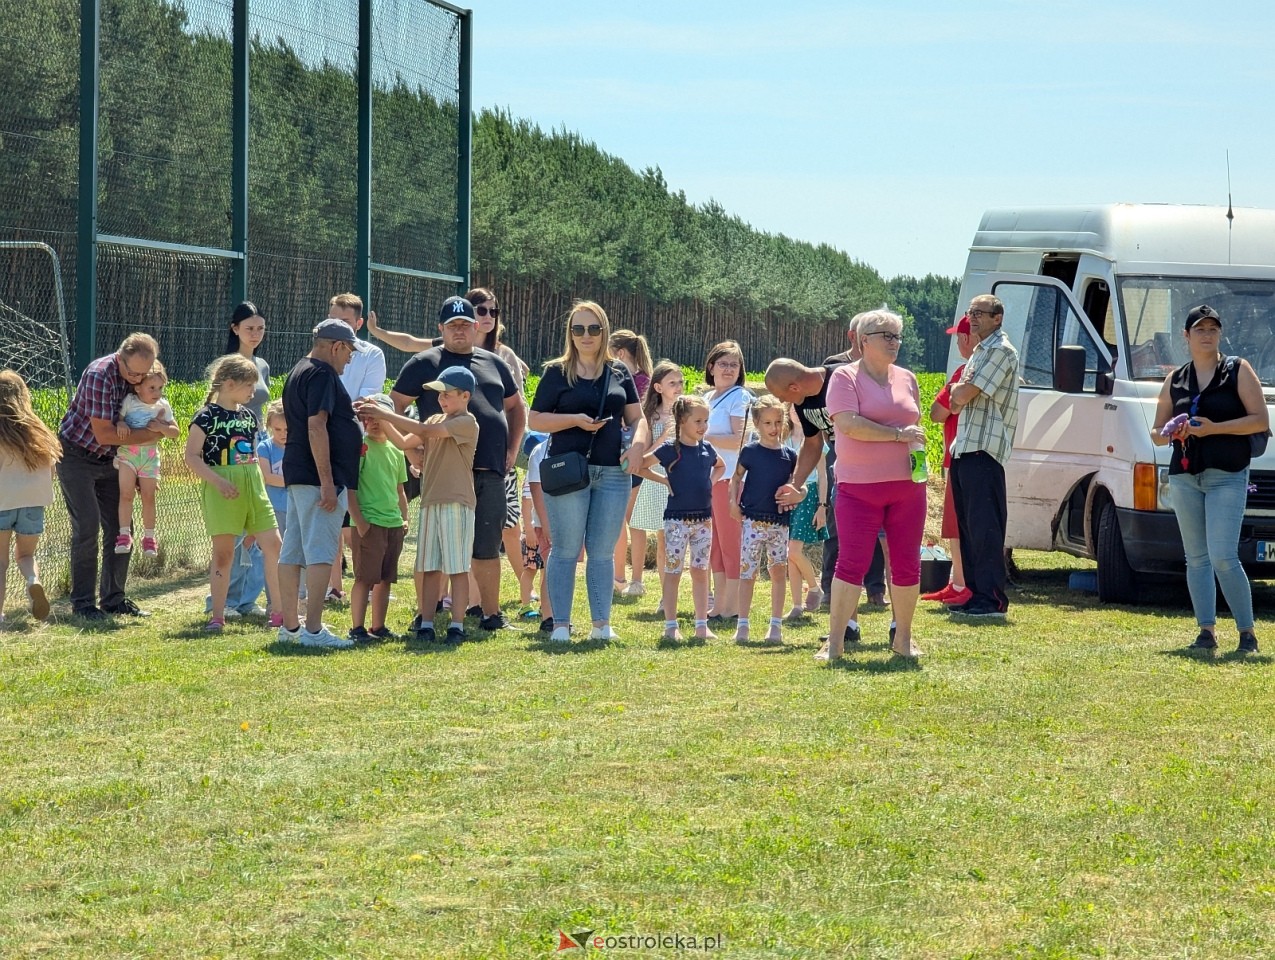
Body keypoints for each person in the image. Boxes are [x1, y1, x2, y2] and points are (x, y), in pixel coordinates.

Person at [391, 296, 525, 632]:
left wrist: (512, 448)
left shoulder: (495, 363)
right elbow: (394, 405)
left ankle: (491, 614)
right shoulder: (424, 362)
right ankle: (427, 613)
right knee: (433, 551)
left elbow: (516, 408)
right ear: (441, 328)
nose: (460, 330)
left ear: (477, 326)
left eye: (465, 324)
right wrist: (411, 453)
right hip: (444, 474)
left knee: (486, 546)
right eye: (453, 326)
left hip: (488, 470)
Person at [528, 300, 647, 644]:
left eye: (593, 328)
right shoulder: (556, 371)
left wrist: (638, 446)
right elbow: (535, 419)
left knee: (602, 551)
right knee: (566, 549)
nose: (586, 335)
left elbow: (637, 419)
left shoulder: (619, 371)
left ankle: (601, 625)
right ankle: (560, 625)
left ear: (604, 331)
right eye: (578, 328)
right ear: (570, 333)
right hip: (568, 471)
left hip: (613, 473)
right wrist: (575, 421)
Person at [1151, 304, 1266, 655]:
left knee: (1223, 556)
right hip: (1185, 476)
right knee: (1196, 558)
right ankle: (1206, 631)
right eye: (1200, 329)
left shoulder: (1237, 370)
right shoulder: (1176, 379)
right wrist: (1171, 432)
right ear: (1186, 336)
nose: (1207, 335)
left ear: (1220, 334)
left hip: (1227, 475)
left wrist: (1215, 429)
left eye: (1213, 329)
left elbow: (1260, 420)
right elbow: (1156, 432)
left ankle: (1247, 633)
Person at [820, 309, 927, 662]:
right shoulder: (843, 377)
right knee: (851, 563)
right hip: (858, 488)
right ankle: (835, 643)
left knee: (907, 563)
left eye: (898, 336)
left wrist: (914, 449)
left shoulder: (908, 378)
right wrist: (897, 436)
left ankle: (904, 639)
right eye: (887, 336)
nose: (895, 342)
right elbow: (849, 425)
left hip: (908, 487)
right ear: (864, 341)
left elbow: (915, 424)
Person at [359, 367, 479, 644]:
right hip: (430, 501)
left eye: (447, 394)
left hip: (456, 502)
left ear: (465, 396)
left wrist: (384, 413)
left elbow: (425, 431)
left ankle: (457, 625)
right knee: (430, 567)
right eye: (439, 394)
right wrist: (379, 415)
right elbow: (403, 442)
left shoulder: (466, 422)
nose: (441, 399)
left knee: (457, 568)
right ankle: (426, 623)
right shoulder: (437, 418)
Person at [57, 332, 162, 620]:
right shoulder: (100, 374)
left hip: (115, 459)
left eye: (143, 374)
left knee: (121, 527)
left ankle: (114, 600)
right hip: (77, 455)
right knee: (87, 526)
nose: (138, 379)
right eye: (133, 373)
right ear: (120, 358)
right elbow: (104, 434)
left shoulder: (142, 374)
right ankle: (83, 604)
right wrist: (151, 436)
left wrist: (141, 461)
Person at [277, 320, 363, 649]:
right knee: (321, 552)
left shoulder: (299, 370)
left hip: (299, 472)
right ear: (336, 346)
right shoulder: (323, 373)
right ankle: (312, 631)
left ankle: (290, 627)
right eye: (349, 351)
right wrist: (327, 481)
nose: (350, 358)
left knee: (293, 550)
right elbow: (316, 426)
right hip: (317, 478)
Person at [183, 354, 284, 632]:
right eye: (249, 385)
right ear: (229, 384)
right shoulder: (205, 417)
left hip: (254, 487)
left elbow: (250, 454)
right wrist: (218, 482)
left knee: (274, 545)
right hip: (223, 491)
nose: (253, 391)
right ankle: (218, 615)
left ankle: (278, 612)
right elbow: (191, 456)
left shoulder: (249, 416)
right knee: (224, 554)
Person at [947, 294, 1021, 619]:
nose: (973, 318)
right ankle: (976, 595)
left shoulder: (1000, 351)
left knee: (985, 529)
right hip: (965, 448)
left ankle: (992, 600)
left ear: (998, 318)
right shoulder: (979, 352)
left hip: (984, 450)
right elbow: (953, 402)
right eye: (971, 312)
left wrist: (959, 391)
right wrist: (959, 392)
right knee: (969, 529)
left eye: (980, 313)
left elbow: (961, 394)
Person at [640, 395, 722, 641]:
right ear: (682, 421)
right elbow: (642, 466)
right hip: (676, 521)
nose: (703, 426)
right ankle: (671, 625)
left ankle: (701, 625)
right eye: (698, 421)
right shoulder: (669, 450)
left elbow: (720, 466)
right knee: (673, 571)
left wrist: (711, 482)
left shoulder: (707, 449)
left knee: (700, 570)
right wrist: (664, 481)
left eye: (706, 421)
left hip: (703, 520)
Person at [325, 293, 388, 603]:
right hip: (324, 440)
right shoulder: (321, 351)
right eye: (333, 320)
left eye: (345, 322)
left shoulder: (372, 355)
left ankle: (369, 582)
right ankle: (333, 587)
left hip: (357, 443)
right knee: (331, 515)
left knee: (359, 516)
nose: (338, 327)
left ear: (359, 323)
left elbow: (365, 401)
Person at [216, 302, 272, 618]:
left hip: (260, 442)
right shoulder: (227, 365)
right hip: (233, 447)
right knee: (235, 524)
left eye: (260, 328)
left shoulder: (262, 365)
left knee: (260, 523)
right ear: (235, 329)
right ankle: (224, 600)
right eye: (249, 328)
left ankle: (248, 598)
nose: (255, 334)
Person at [729, 395, 797, 645]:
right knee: (748, 572)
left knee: (778, 571)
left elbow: (795, 484)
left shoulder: (789, 455)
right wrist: (733, 503)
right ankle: (743, 624)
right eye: (767, 423)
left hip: (779, 522)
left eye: (778, 422)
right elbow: (736, 478)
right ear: (757, 424)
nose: (773, 428)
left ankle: (775, 625)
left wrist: (793, 493)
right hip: (752, 520)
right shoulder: (750, 452)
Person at [345, 394, 408, 643]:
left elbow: (400, 490)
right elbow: (350, 489)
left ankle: (378, 626)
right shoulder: (360, 448)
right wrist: (360, 522)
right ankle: (357, 628)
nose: (372, 422)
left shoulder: (396, 450)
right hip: (369, 523)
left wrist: (404, 518)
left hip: (393, 523)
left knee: (385, 578)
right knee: (364, 578)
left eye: (378, 417)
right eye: (367, 418)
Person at [921, 315, 976, 605]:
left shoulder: (963, 373)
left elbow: (936, 413)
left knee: (956, 525)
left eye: (958, 337)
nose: (958, 343)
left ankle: (961, 584)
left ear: (966, 338)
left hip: (959, 456)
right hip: (975, 456)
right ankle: (957, 580)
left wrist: (953, 401)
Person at [0, 370, 61, 624]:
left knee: (1, 561)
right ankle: (33, 580)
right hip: (33, 504)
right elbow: (52, 468)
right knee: (25, 556)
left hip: (3, 502)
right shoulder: (38, 430)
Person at [702, 341, 752, 620]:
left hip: (731, 478)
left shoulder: (740, 397)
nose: (728, 369)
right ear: (711, 367)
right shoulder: (708, 397)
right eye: (723, 363)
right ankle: (719, 604)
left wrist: (701, 436)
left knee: (731, 543)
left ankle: (733, 605)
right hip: (711, 478)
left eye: (734, 364)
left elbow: (739, 440)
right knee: (715, 545)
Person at [629, 361, 684, 610]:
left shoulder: (686, 412)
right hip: (657, 479)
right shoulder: (650, 417)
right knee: (662, 539)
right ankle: (665, 597)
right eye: (672, 383)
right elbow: (643, 455)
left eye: (681, 382)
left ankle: (675, 595)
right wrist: (664, 437)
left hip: (682, 476)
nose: (678, 387)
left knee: (672, 541)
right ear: (658, 387)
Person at [113, 361, 178, 557]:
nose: (157, 392)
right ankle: (124, 535)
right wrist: (121, 424)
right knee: (126, 494)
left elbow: (175, 432)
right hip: (128, 455)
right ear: (138, 387)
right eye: (152, 387)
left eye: (160, 388)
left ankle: (149, 538)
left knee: (149, 497)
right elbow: (119, 419)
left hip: (149, 457)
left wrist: (162, 428)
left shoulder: (163, 406)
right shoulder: (130, 401)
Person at [609, 329, 654, 596]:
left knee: (625, 520)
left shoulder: (627, 381)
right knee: (633, 521)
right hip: (637, 454)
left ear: (620, 353)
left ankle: (623, 578)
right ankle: (632, 579)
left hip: (629, 453)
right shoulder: (647, 379)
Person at [782, 402, 828, 620]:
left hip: (808, 495)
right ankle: (797, 605)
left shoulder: (816, 440)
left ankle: (814, 588)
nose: (796, 411)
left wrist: (822, 506)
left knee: (794, 551)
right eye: (793, 407)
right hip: (787, 494)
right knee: (790, 555)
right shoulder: (783, 439)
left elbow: (823, 476)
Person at [256, 400, 294, 607]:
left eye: (287, 429)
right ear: (270, 426)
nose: (283, 434)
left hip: (295, 509)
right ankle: (274, 601)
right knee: (274, 556)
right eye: (278, 429)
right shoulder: (265, 447)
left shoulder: (298, 446)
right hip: (275, 509)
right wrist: (295, 480)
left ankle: (295, 597)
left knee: (294, 556)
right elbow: (268, 477)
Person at [523, 436, 554, 632]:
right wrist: (543, 524)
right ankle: (549, 617)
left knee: (554, 569)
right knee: (550, 567)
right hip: (545, 523)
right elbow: (533, 492)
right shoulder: (540, 451)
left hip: (568, 520)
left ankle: (555, 613)